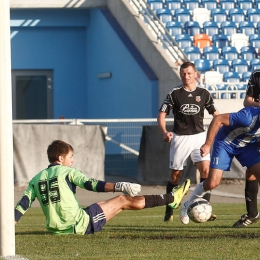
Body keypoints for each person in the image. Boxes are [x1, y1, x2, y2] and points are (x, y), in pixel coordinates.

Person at [15, 140, 191, 235]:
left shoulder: (36, 178)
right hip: (78, 225)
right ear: (61, 158)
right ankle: (172, 199)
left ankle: (172, 199)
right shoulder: (67, 171)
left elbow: (23, 204)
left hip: (57, 230)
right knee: (123, 200)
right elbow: (91, 184)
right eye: (71, 157)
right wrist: (119, 185)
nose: (72, 161)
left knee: (122, 204)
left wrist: (9, 226)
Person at [157, 61, 219, 223]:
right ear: (180, 75)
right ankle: (169, 209)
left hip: (200, 137)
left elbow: (216, 114)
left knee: (206, 173)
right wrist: (165, 132)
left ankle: (205, 207)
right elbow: (162, 114)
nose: (186, 76)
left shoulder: (204, 93)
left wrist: (221, 128)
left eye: (189, 73)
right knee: (175, 177)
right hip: (180, 138)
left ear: (195, 74)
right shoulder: (175, 93)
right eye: (183, 73)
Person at [180, 106, 260, 225]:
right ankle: (187, 204)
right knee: (212, 182)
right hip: (226, 143)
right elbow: (218, 119)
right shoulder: (248, 117)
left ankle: (253, 215)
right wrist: (207, 144)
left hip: (247, 147)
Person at [232, 69, 260, 227]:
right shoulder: (256, 76)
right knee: (252, 170)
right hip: (257, 127)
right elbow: (247, 101)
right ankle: (252, 214)